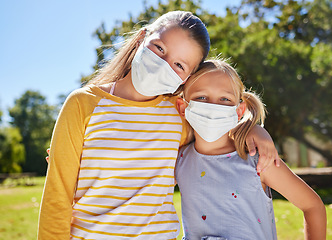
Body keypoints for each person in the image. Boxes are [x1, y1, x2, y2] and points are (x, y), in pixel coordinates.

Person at [38, 11, 280, 240]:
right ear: (141, 39)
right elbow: (56, 198)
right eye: (159, 48)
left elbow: (218, 128)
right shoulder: (83, 103)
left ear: (186, 79)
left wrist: (255, 129)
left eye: (179, 65)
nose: (163, 63)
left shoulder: (178, 113)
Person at [175, 59, 327, 240]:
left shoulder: (259, 160)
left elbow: (312, 206)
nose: (214, 106)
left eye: (225, 99)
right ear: (183, 107)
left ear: (239, 111)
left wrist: (256, 129)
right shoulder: (178, 160)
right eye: (201, 97)